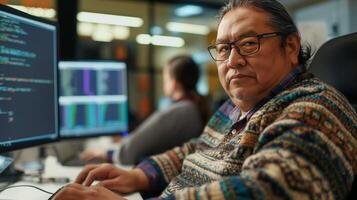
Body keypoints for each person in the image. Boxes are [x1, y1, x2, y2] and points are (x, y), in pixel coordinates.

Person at [53, 0, 357, 199]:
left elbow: (275, 188)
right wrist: (139, 176)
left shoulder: (315, 106)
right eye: (223, 49)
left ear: (290, 47)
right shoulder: (235, 107)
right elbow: (196, 150)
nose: (233, 60)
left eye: (248, 44)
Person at [80, 55, 210, 165]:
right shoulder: (193, 106)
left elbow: (128, 152)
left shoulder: (181, 111)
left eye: (165, 79)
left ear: (174, 83)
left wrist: (106, 154)